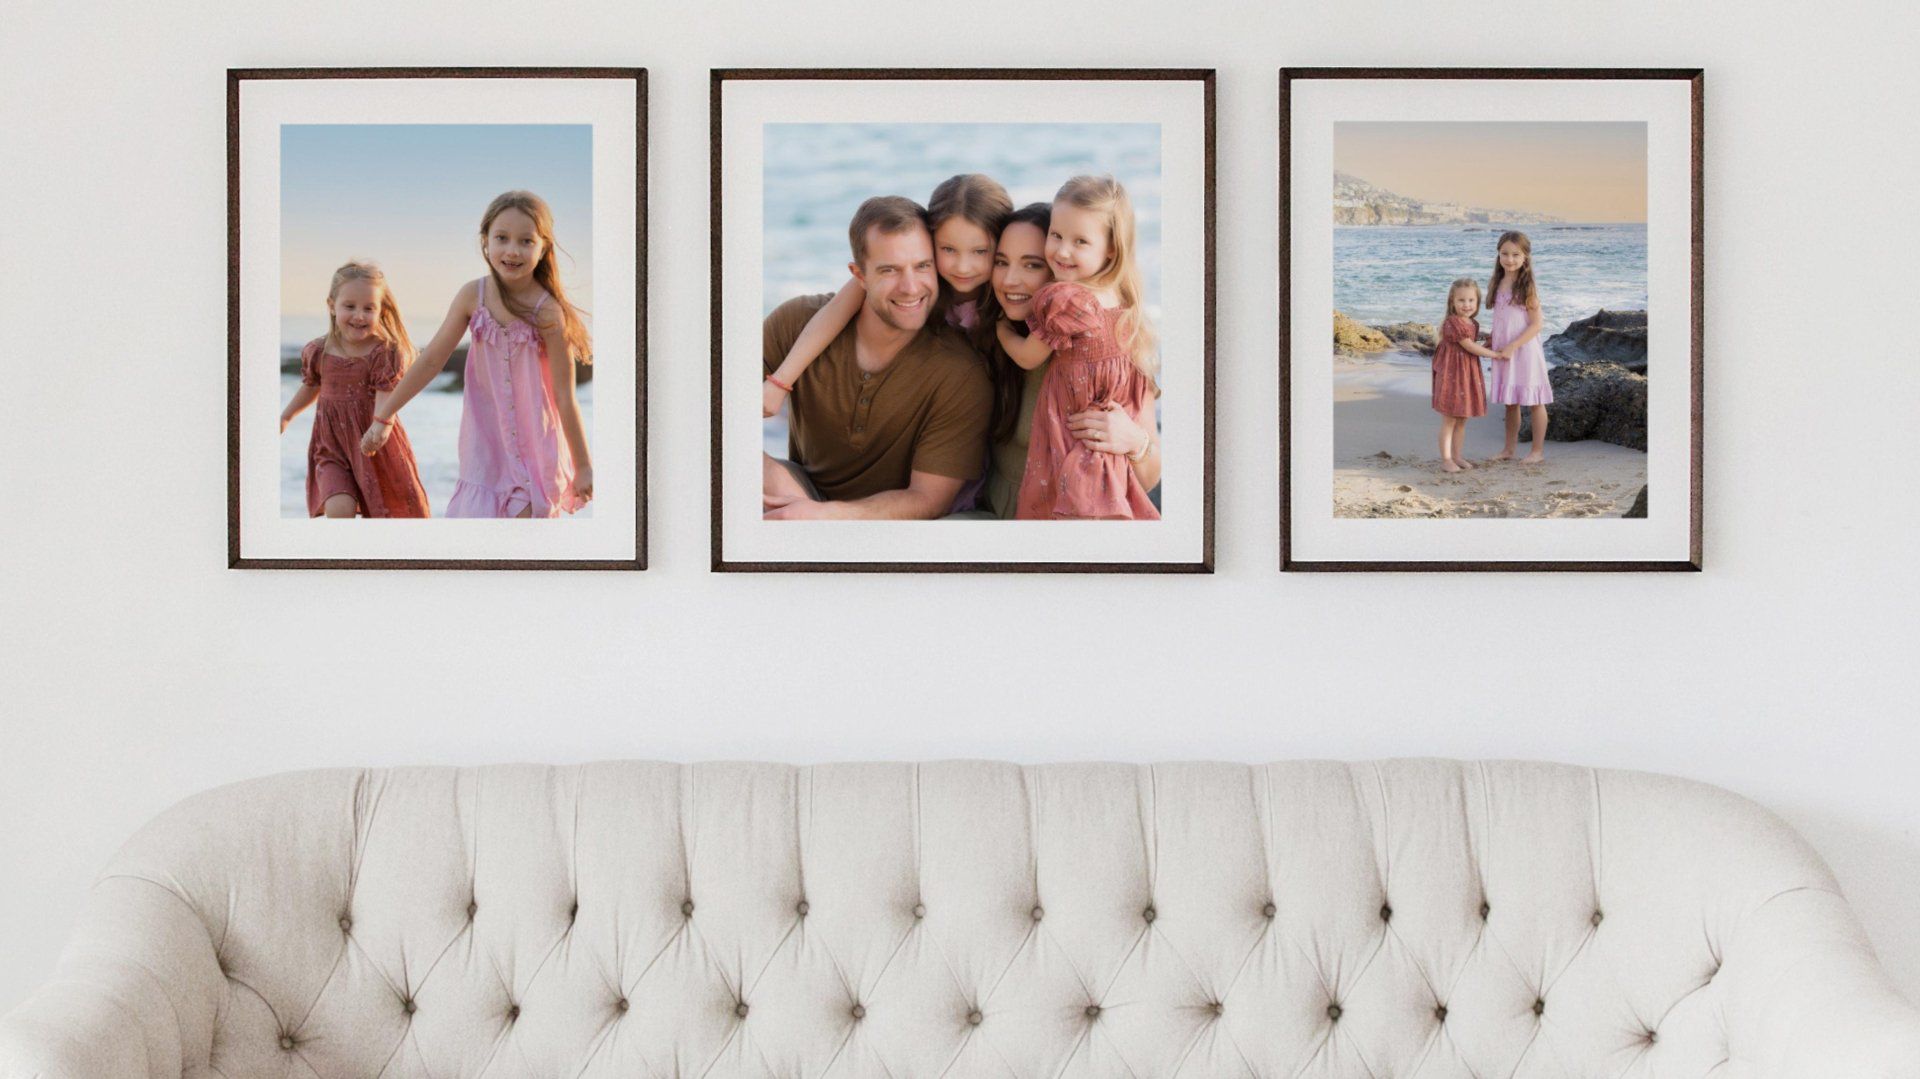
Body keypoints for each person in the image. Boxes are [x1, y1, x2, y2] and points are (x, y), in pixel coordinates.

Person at [760, 196, 993, 520]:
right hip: (799, 492)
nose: (911, 287)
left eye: (923, 266)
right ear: (859, 275)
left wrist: (824, 518)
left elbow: (928, 499)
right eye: (889, 270)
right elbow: (700, 403)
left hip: (892, 528)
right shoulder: (796, 322)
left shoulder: (960, 372)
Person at [363, 191, 593, 516]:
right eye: (502, 238)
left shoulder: (548, 313)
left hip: (536, 454)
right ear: (485, 240)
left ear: (543, 249)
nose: (512, 250)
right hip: (484, 452)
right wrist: (384, 416)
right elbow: (430, 361)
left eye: (526, 241)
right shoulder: (473, 296)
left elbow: (565, 396)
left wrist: (583, 466)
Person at [995, 176, 1160, 520]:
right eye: (1055, 237)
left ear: (1110, 249)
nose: (1063, 252)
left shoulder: (1070, 306)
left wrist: (1136, 442)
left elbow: (1149, 476)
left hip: (1067, 501)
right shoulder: (1123, 316)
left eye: (1032, 263)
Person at [279, 261, 429, 519]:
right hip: (331, 446)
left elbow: (386, 395)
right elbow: (311, 386)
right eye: (350, 306)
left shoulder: (384, 352)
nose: (359, 316)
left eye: (368, 308)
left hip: (374, 445)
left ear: (381, 311)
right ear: (332, 305)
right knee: (338, 510)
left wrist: (381, 426)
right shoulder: (318, 351)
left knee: (394, 515)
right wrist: (286, 416)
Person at [1484, 230, 1553, 463]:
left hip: (1525, 350)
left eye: (1515, 254)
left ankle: (1537, 452)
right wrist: (1493, 337)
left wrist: (1513, 345)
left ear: (1525, 257)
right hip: (1504, 350)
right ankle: (1508, 450)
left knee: (1535, 401)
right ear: (1498, 255)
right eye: (1505, 253)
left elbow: (1536, 324)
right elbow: (1503, 318)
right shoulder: (1497, 282)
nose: (1510, 259)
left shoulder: (1527, 286)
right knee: (1510, 403)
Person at [1431, 277, 1497, 473]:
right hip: (1452, 374)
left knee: (1462, 419)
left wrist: (1491, 338)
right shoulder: (1452, 322)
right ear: (1452, 301)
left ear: (1477, 302)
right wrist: (1496, 355)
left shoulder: (1472, 323)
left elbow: (1474, 341)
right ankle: (1446, 459)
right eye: (1461, 300)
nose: (1466, 305)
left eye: (1471, 300)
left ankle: (1457, 456)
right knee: (1450, 418)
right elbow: (1469, 346)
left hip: (1466, 375)